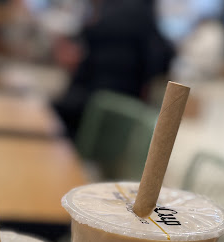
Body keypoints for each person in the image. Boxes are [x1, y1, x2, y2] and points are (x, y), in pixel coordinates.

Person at [52, 0, 175, 139]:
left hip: (95, 103)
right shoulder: (140, 12)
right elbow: (162, 57)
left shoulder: (112, 13)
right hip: (113, 103)